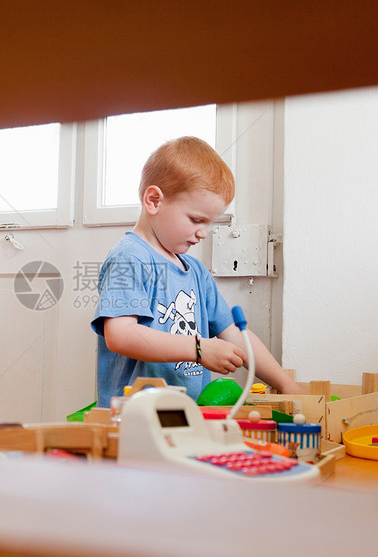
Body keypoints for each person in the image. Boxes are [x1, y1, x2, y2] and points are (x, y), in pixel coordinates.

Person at [91, 136, 301, 407]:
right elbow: (120, 334)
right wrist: (199, 349)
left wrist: (286, 385)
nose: (203, 232)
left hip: (188, 415)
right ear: (154, 200)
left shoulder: (197, 273)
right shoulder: (130, 258)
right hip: (132, 417)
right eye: (196, 220)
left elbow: (236, 334)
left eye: (209, 223)